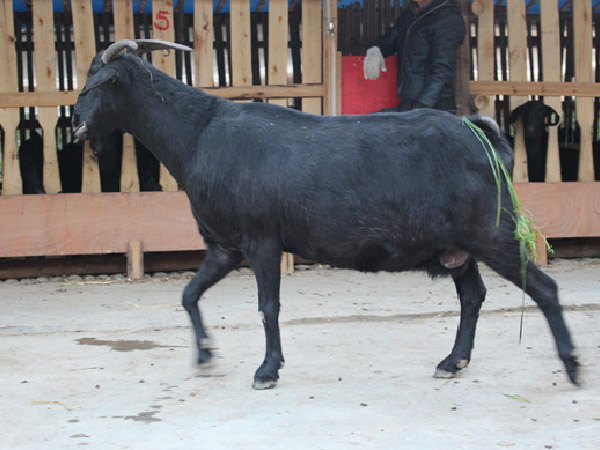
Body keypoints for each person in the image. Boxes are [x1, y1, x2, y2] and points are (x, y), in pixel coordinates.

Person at [363, 0, 465, 113]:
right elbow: (390, 39)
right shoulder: (411, 14)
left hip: (435, 107)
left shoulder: (447, 17)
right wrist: (376, 50)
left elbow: (442, 70)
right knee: (371, 120)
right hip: (410, 103)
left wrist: (423, 106)